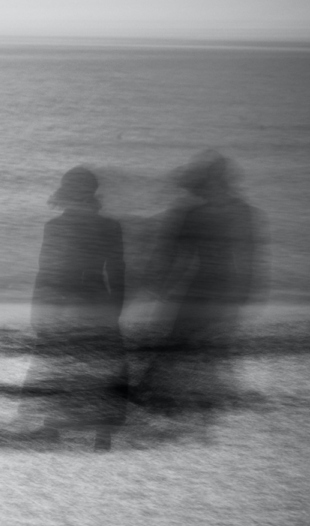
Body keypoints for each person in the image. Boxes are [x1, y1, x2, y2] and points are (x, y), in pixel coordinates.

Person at [135, 150, 264, 437]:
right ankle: (207, 398)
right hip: (221, 288)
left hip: (204, 287)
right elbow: (248, 257)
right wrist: (246, 290)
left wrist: (158, 285)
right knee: (208, 344)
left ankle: (158, 395)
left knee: (179, 341)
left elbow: (173, 255)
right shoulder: (240, 212)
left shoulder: (192, 214)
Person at [19, 166, 128, 450]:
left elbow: (46, 272)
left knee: (61, 362)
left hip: (63, 302)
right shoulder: (108, 226)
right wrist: (115, 308)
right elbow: (117, 272)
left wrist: (38, 308)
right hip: (95, 301)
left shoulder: (56, 226)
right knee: (96, 365)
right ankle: (99, 433)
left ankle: (55, 427)